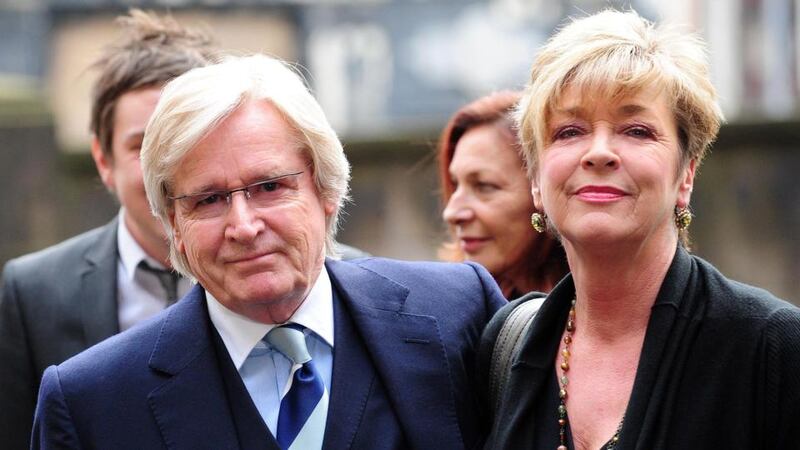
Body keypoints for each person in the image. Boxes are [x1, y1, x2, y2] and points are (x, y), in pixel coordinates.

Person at [31, 53, 506, 449]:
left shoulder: (457, 314)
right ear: (174, 224)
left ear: (326, 191)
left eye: (269, 186)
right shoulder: (92, 402)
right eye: (209, 199)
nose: (244, 225)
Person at [480, 9, 800, 450]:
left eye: (636, 130)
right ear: (536, 180)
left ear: (686, 174)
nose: (599, 153)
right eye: (569, 131)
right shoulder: (506, 344)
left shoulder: (773, 347)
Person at [0, 10, 215, 449]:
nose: (165, 170)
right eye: (142, 146)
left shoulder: (325, 275)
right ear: (103, 160)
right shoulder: (33, 292)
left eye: (185, 138)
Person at [439, 91, 568, 298]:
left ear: (540, 190)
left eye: (483, 186)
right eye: (455, 185)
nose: (452, 213)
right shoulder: (450, 312)